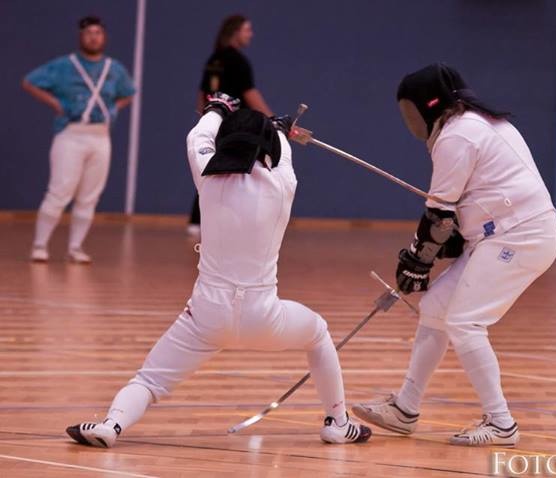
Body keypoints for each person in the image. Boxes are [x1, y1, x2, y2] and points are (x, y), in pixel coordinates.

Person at [65, 93, 371, 447]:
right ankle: (338, 422)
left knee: (149, 380)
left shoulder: (208, 180)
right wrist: (279, 128)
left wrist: (217, 109)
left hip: (206, 316)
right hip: (263, 317)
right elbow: (283, 155)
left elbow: (197, 137)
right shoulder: (282, 185)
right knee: (317, 333)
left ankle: (111, 425)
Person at [352, 64, 556, 447]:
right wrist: (422, 260)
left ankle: (501, 423)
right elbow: (456, 217)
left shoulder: (457, 135)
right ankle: (405, 408)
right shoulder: (477, 124)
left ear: (427, 106)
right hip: (502, 234)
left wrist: (416, 262)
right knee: (435, 308)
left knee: (465, 322)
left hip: (520, 235)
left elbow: (438, 215)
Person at [23, 16, 135, 263]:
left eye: (98, 33)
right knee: (60, 191)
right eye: (89, 33)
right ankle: (40, 245)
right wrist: (55, 103)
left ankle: (75, 247)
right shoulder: (64, 65)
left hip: (100, 136)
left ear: (104, 37)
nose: (94, 37)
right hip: (71, 134)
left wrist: (113, 109)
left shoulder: (114, 68)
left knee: (89, 195)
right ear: (81, 37)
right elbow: (30, 82)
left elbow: (129, 92)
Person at [187, 14, 273, 237]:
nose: (251, 34)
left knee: (211, 171)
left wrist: (205, 119)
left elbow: (202, 94)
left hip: (215, 123)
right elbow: (250, 94)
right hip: (236, 128)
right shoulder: (238, 61)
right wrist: (273, 121)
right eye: (247, 30)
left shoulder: (214, 59)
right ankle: (234, 222)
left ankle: (197, 221)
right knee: (237, 172)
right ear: (236, 32)